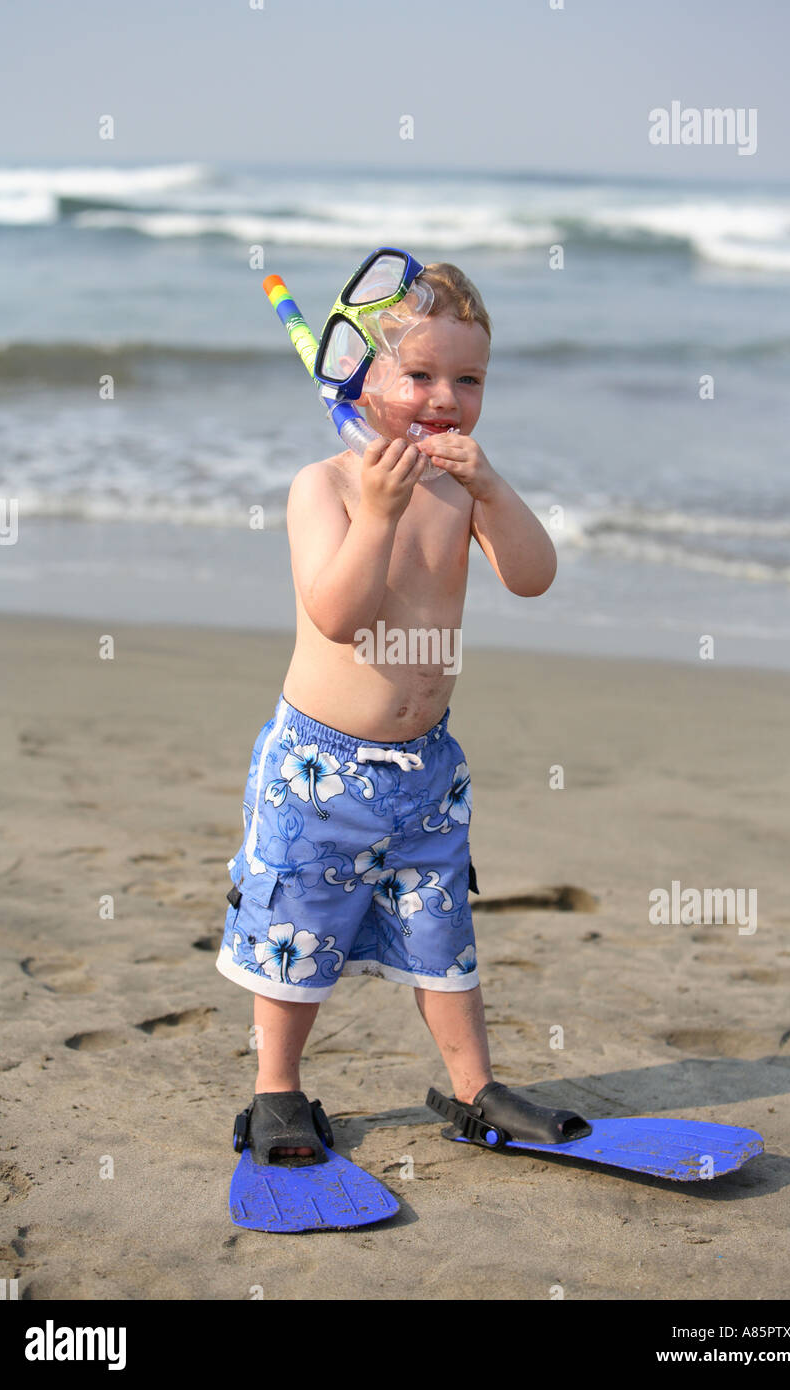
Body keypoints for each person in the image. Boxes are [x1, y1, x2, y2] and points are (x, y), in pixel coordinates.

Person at [217, 260, 560, 1157]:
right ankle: (278, 1090)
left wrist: (489, 489)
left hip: (427, 771)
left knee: (442, 930)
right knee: (296, 931)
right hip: (320, 769)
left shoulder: (460, 488)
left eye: (470, 378)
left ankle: (474, 1086)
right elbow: (338, 615)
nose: (447, 396)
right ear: (361, 378)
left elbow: (533, 577)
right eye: (421, 376)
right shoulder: (325, 487)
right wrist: (374, 515)